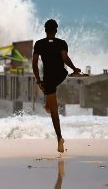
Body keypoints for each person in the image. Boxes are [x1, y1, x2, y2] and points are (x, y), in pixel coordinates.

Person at [32, 19, 81, 153]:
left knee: (54, 110)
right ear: (56, 30)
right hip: (61, 74)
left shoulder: (39, 44)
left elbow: (34, 63)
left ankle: (59, 138)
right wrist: (74, 69)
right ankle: (48, 104)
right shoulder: (61, 43)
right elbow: (64, 58)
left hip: (48, 79)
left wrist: (38, 80)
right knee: (50, 102)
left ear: (45, 30)